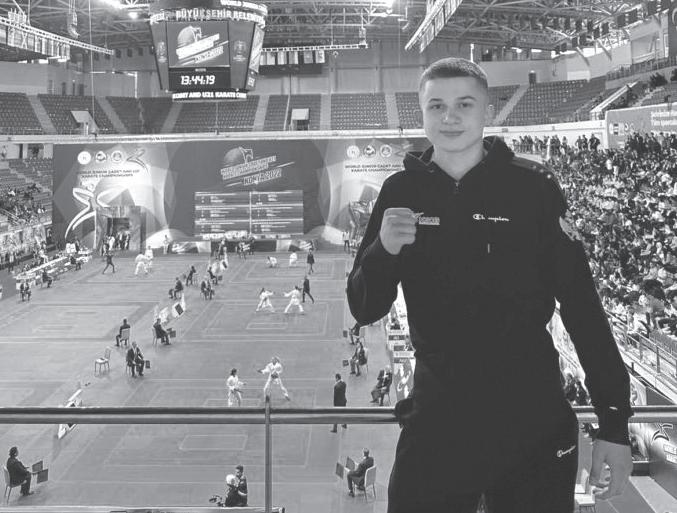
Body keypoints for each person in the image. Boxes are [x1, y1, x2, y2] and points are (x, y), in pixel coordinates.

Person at [346, 57, 632, 513]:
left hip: (533, 426)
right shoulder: (400, 191)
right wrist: (383, 250)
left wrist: (614, 424)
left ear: (488, 111)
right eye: (436, 105)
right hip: (438, 425)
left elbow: (582, 308)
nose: (449, 116)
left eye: (464, 104)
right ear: (422, 113)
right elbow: (364, 307)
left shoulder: (533, 188)